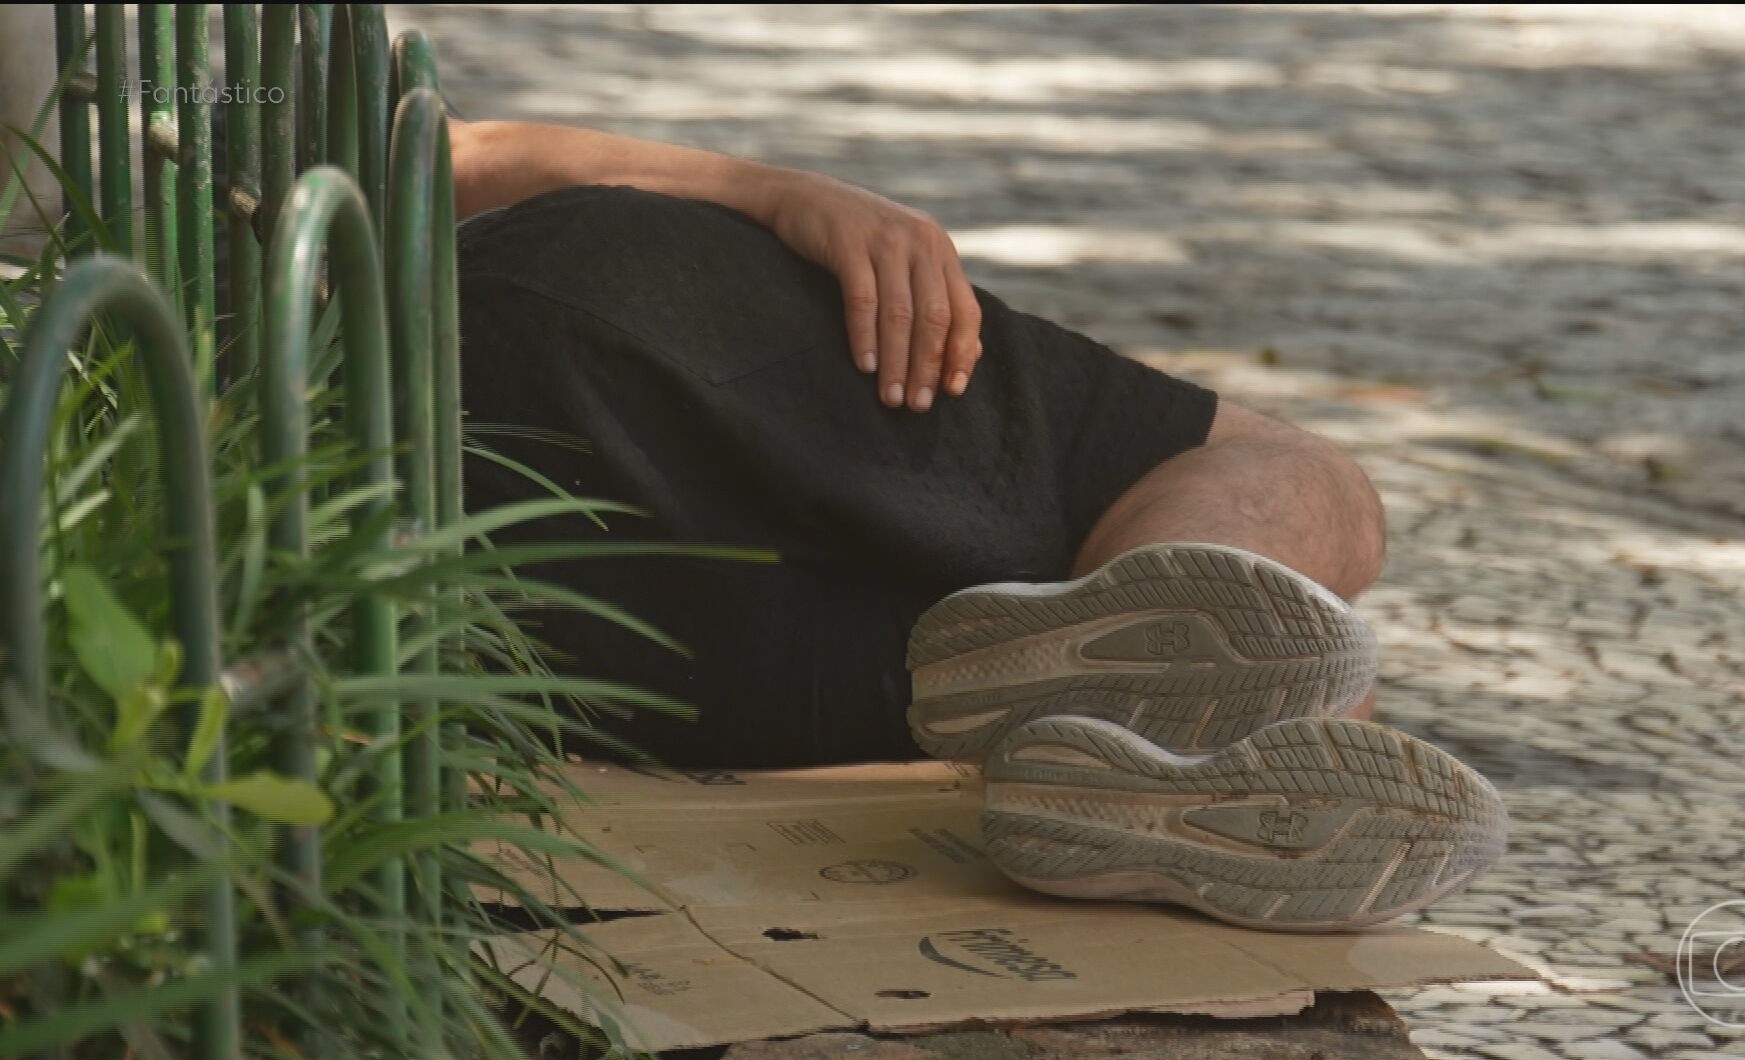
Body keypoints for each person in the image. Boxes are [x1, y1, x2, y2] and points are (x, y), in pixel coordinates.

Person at [449, 118, 1507, 931]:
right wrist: (769, 188)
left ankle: (1125, 713)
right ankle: (1171, 671)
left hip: (458, 589)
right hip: (564, 303)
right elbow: (447, 149)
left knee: (938, 674)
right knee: (1291, 473)